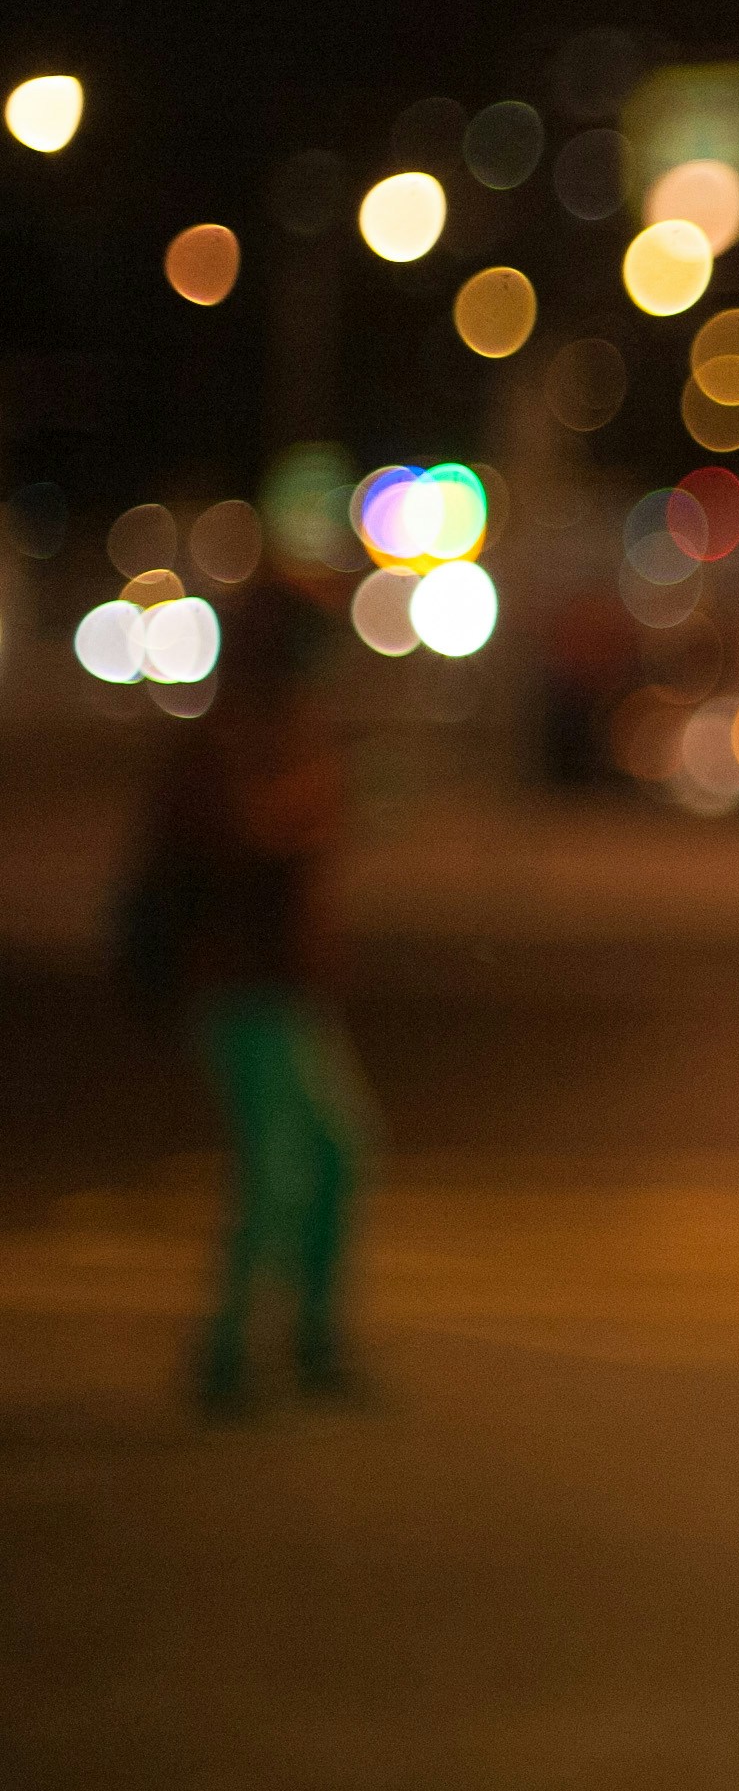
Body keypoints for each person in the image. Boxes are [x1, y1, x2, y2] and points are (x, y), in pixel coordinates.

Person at [118, 568, 382, 1417]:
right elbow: (242, 838)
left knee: (340, 1154)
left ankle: (311, 1339)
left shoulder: (290, 727)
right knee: (276, 1170)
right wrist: (308, 802)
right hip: (239, 985)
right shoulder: (229, 736)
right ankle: (227, 1355)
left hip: (290, 986)